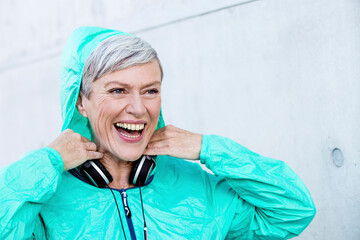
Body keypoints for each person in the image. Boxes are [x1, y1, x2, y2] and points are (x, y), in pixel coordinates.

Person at [0, 26, 316, 239]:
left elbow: (292, 210)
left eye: (150, 91)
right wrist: (49, 162)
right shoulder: (44, 202)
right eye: (118, 90)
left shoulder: (197, 188)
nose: (138, 108)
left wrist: (208, 148)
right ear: (81, 102)